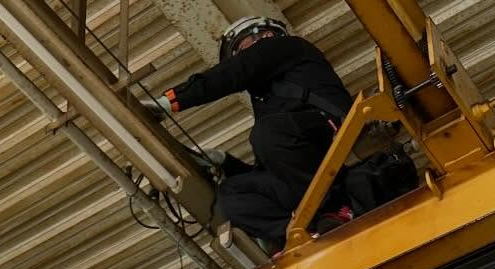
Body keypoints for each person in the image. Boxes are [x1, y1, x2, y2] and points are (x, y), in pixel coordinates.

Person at [149, 18, 355, 251]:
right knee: (231, 192)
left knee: (268, 134)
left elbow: (239, 70)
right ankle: (301, 232)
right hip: (302, 172)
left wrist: (169, 102)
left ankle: (339, 207)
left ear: (264, 35)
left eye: (241, 48)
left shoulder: (288, 47)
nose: (241, 55)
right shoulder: (267, 104)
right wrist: (226, 163)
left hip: (327, 132)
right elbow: (274, 166)